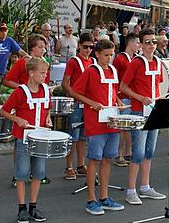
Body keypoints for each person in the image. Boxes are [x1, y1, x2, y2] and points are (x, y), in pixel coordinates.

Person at [70, 39, 125, 215]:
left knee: (108, 159)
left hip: (112, 121)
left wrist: (117, 101)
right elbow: (76, 92)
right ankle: (91, 199)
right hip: (96, 122)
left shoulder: (114, 71)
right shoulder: (91, 71)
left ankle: (104, 196)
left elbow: (113, 91)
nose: (109, 58)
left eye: (111, 55)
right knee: (94, 159)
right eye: (106, 55)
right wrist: (92, 103)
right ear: (97, 54)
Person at [0, 56, 51, 223]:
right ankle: (21, 208)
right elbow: (4, 111)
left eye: (46, 72)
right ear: (31, 73)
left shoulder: (46, 90)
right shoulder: (20, 91)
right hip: (24, 139)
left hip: (41, 139)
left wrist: (48, 119)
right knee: (21, 174)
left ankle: (33, 206)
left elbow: (47, 108)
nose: (45, 76)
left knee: (38, 174)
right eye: (42, 73)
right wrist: (17, 120)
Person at [120, 29, 166, 205]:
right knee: (137, 153)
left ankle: (145, 187)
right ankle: (131, 190)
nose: (151, 45)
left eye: (153, 42)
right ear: (140, 44)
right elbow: (123, 87)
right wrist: (140, 98)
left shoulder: (158, 62)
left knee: (149, 151)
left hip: (153, 111)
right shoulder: (136, 63)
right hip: (139, 111)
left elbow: (158, 86)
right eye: (147, 42)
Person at [61, 33, 94, 180]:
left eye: (91, 47)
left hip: (87, 104)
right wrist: (73, 95)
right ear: (79, 45)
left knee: (83, 137)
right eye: (85, 47)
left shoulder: (92, 61)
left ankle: (80, 165)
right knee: (72, 137)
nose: (88, 50)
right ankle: (68, 167)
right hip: (75, 104)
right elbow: (65, 83)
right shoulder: (74, 61)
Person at [112, 33, 139, 167]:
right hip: (122, 96)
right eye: (137, 43)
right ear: (130, 43)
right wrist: (116, 97)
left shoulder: (135, 59)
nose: (138, 45)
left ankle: (128, 152)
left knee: (129, 127)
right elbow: (115, 78)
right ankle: (119, 153)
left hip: (131, 96)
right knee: (123, 128)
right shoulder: (120, 59)